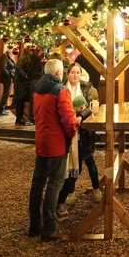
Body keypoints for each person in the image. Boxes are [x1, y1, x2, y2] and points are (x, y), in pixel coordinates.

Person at [27, 57, 76, 241]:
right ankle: (49, 227)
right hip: (56, 144)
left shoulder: (37, 91)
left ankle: (34, 224)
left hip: (41, 141)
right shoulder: (60, 91)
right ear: (57, 73)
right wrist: (71, 133)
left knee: (38, 181)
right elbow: (68, 120)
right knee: (55, 183)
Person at [57, 61, 100, 207]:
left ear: (81, 74)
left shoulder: (87, 88)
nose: (75, 75)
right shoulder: (61, 89)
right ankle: (70, 192)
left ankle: (96, 188)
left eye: (78, 72)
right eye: (73, 72)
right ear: (67, 74)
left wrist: (81, 115)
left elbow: (91, 106)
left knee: (88, 160)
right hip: (67, 132)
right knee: (70, 165)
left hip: (84, 132)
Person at [13, 44, 43, 127]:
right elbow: (18, 68)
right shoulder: (24, 57)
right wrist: (25, 76)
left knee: (21, 100)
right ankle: (19, 119)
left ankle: (20, 119)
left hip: (22, 83)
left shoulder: (27, 58)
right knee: (20, 101)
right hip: (20, 83)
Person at [0, 43, 16, 116]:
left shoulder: (9, 57)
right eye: (12, 50)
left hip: (9, 78)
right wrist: (9, 75)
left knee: (6, 93)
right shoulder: (5, 57)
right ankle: (0, 109)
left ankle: (2, 108)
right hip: (7, 78)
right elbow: (3, 68)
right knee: (6, 93)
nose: (13, 51)